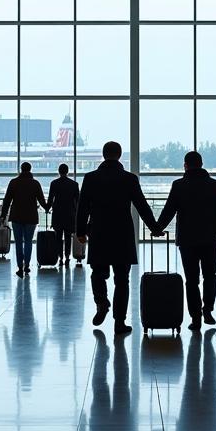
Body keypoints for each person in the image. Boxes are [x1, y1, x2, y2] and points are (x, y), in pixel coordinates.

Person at [76, 141, 159, 336]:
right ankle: (119, 322)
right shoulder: (129, 179)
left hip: (98, 232)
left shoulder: (90, 178)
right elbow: (142, 205)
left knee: (98, 272)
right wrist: (154, 228)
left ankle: (101, 302)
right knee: (122, 280)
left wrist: (80, 231)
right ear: (119, 155)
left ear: (104, 155)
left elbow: (82, 208)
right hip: (122, 234)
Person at [154, 150, 216, 330]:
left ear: (185, 165)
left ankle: (195, 317)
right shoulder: (215, 185)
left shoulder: (179, 185)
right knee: (210, 275)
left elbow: (169, 210)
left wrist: (157, 228)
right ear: (202, 164)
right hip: (211, 238)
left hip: (187, 240)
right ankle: (208, 309)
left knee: (191, 279)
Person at [1, 162, 48, 278]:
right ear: (30, 169)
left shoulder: (14, 182)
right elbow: (41, 200)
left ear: (21, 169)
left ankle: (20, 267)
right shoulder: (35, 183)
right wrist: (48, 207)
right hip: (31, 216)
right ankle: (27, 264)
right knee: (28, 241)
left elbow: (7, 200)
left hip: (16, 216)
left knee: (18, 242)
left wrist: (3, 214)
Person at [46, 163, 81, 267]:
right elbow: (78, 201)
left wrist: (47, 208)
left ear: (59, 171)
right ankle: (67, 257)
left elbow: (50, 199)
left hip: (57, 214)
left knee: (58, 237)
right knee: (68, 236)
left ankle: (60, 257)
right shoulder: (74, 184)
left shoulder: (54, 183)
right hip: (70, 214)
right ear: (67, 171)